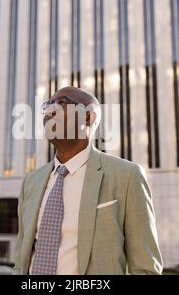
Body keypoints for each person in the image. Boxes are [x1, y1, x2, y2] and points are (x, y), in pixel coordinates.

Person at [12, 86, 162, 275]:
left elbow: (145, 268)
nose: (50, 111)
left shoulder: (127, 176)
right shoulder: (30, 183)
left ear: (88, 117)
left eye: (62, 103)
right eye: (48, 105)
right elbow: (20, 261)